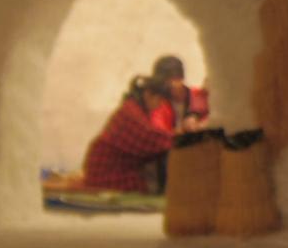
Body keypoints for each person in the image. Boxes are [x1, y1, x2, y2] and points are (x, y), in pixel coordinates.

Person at [79, 57, 210, 193]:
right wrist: (186, 134)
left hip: (112, 165)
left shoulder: (196, 97)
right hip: (108, 171)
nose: (159, 104)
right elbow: (152, 138)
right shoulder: (132, 114)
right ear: (149, 94)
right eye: (159, 99)